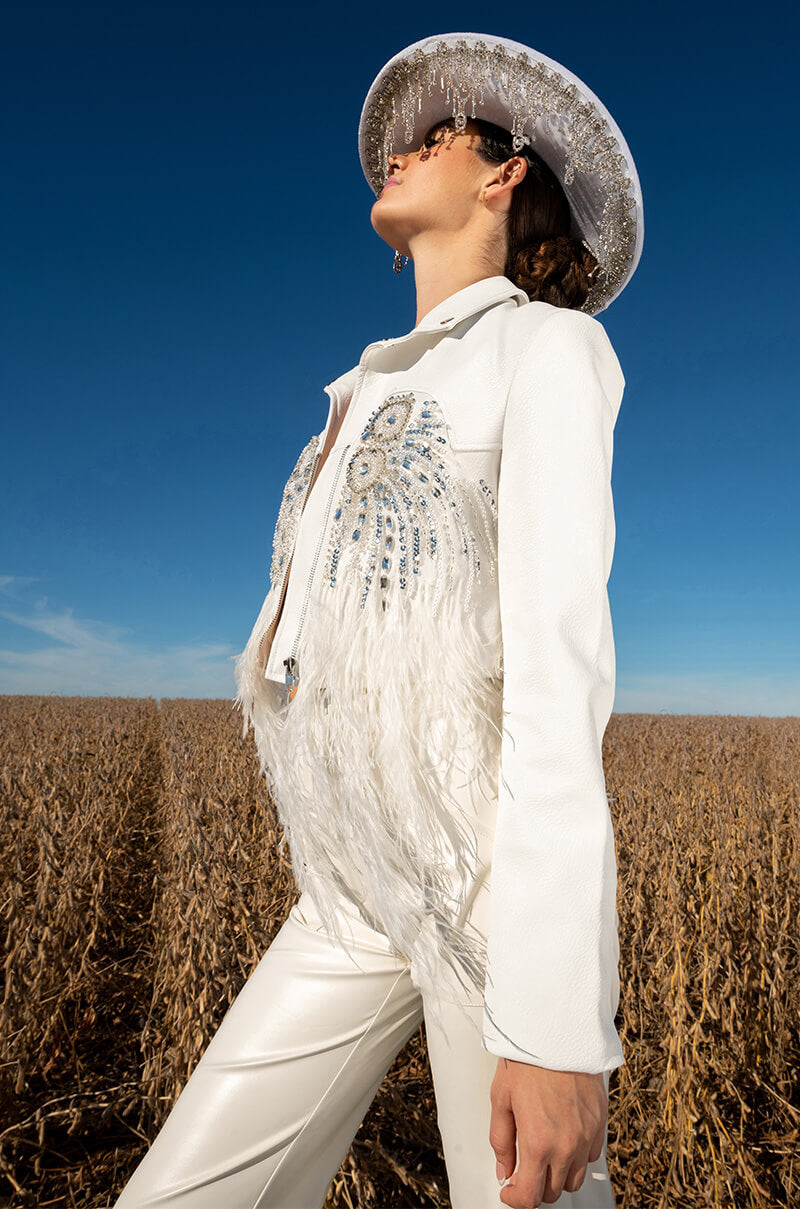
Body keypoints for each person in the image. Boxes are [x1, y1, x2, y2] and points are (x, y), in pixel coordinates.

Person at [112, 31, 644, 1209]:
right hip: (348, 884)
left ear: (504, 175)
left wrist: (554, 1027)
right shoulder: (356, 391)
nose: (397, 154)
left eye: (435, 139)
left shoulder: (549, 351)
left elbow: (557, 676)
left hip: (482, 886)